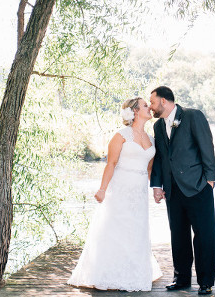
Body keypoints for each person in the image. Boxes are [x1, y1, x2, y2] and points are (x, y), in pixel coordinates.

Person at [67, 97, 162, 291]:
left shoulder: (152, 139)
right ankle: (108, 274)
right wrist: (102, 189)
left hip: (139, 192)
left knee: (137, 230)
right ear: (135, 111)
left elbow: (150, 169)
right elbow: (110, 164)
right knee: (116, 228)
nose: (150, 108)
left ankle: (133, 273)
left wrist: (157, 189)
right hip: (120, 188)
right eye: (145, 105)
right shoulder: (121, 135)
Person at [149, 86, 215, 296]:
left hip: (198, 186)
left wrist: (210, 179)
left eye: (152, 102)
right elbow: (161, 158)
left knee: (204, 236)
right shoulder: (158, 126)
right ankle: (181, 279)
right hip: (173, 191)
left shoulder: (192, 116)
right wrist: (157, 186)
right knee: (178, 236)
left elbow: (207, 146)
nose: (151, 106)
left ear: (163, 101)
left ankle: (205, 282)